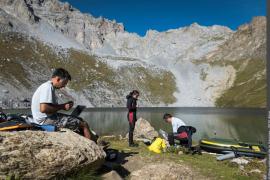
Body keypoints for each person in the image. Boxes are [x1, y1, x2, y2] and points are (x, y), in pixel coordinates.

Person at [31, 68, 92, 140]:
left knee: (79, 119)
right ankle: (92, 147)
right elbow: (44, 108)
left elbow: (49, 107)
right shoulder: (47, 87)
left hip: (45, 118)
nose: (64, 86)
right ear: (58, 79)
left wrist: (63, 106)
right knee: (84, 124)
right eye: (64, 83)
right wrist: (63, 106)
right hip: (45, 121)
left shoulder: (47, 86)